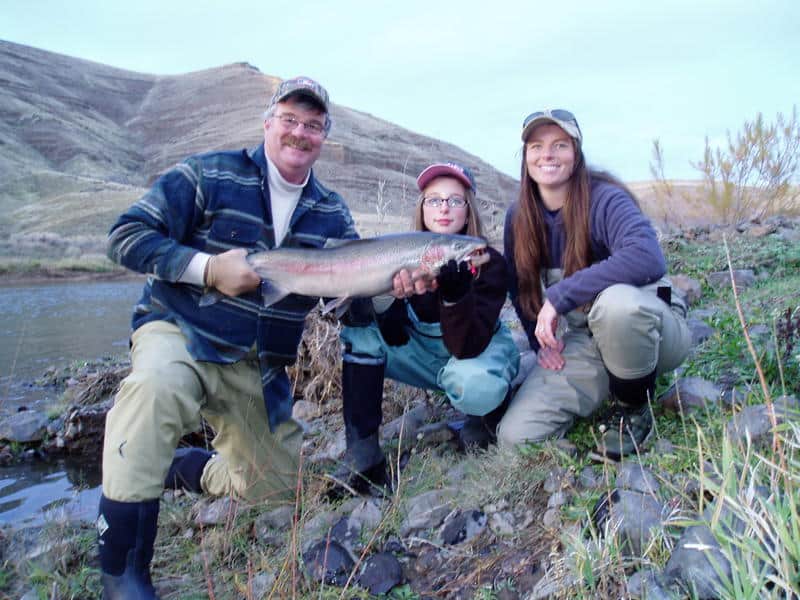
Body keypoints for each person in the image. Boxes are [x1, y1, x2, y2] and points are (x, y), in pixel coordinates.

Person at [97, 77, 383, 599]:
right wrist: (206, 268)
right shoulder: (209, 173)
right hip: (179, 331)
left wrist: (392, 286)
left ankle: (190, 468)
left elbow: (352, 309)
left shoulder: (331, 212)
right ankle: (121, 570)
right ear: (268, 122)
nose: (300, 133)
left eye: (313, 125)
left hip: (259, 367)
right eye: (290, 120)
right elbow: (126, 236)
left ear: (325, 137)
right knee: (154, 389)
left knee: (281, 495)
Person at [498, 109, 691, 459]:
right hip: (586, 342)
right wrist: (539, 343)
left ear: (577, 152)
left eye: (560, 145)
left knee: (617, 306)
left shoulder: (605, 199)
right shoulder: (518, 218)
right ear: (525, 157)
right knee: (515, 438)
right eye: (537, 146)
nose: (548, 155)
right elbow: (519, 288)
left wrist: (559, 297)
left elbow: (648, 256)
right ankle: (603, 394)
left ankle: (634, 406)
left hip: (652, 334)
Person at [333, 162, 520, 494]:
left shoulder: (486, 260)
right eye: (434, 200)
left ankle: (486, 416)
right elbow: (393, 335)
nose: (444, 208)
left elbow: (467, 347)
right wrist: (386, 297)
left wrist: (454, 294)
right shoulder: (401, 256)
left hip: (473, 352)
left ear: (468, 210)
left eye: (455, 200)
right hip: (425, 357)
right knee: (358, 332)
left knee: (473, 383)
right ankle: (363, 457)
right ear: (422, 208)